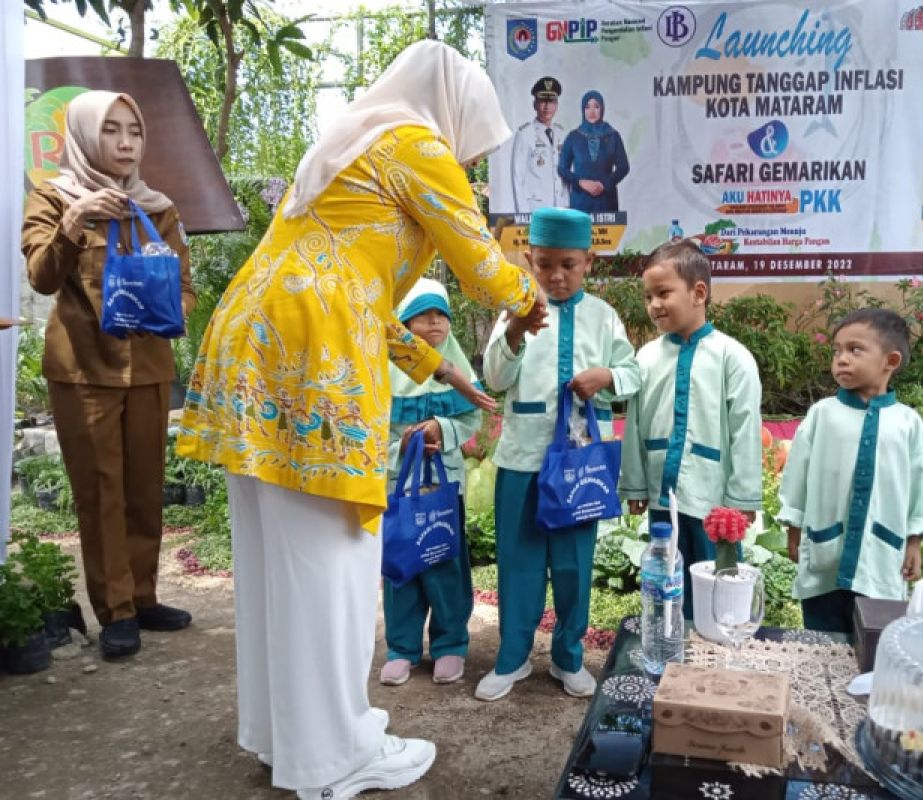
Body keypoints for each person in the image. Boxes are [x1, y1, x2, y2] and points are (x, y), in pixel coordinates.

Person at [175, 41, 547, 799]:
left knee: (276, 553)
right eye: (468, 146)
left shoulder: (344, 151)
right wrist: (527, 299)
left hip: (259, 337)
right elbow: (477, 260)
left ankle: (289, 739)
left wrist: (439, 367)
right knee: (332, 561)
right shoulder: (413, 142)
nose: (465, 163)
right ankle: (334, 755)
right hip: (313, 352)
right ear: (451, 110)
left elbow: (354, 288)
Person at [22, 90, 196, 660]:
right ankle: (115, 610)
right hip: (83, 371)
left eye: (134, 132)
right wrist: (74, 222)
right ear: (85, 137)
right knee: (100, 491)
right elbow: (43, 279)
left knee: (145, 489)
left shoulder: (158, 208)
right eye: (111, 131)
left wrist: (165, 302)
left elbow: (186, 290)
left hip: (147, 368)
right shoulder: (53, 199)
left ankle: (144, 597)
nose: (125, 143)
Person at [475, 207, 640, 702]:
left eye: (568, 264)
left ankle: (569, 657)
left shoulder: (604, 317)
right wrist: (515, 334)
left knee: (573, 565)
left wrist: (606, 377)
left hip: (580, 467)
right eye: (545, 264)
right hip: (522, 461)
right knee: (519, 563)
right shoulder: (515, 310)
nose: (557, 275)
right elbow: (494, 380)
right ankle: (513, 658)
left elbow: (632, 374)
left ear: (589, 261)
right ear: (529, 259)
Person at [618, 240, 763, 620]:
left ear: (699, 293)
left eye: (663, 293)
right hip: (661, 499)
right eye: (648, 296)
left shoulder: (733, 357)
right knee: (666, 583)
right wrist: (634, 485)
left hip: (714, 500)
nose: (653, 305)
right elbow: (633, 425)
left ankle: (718, 653)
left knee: (719, 583)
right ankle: (670, 651)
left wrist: (742, 496)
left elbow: (746, 430)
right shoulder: (646, 358)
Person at [778, 309, 923, 635]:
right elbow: (798, 473)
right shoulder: (823, 414)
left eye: (854, 350)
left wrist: (914, 540)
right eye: (836, 351)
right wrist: (793, 525)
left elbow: (919, 485)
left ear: (889, 361)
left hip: (880, 555)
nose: (841, 359)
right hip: (825, 548)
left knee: (874, 640)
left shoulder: (907, 424)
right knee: (823, 637)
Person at [379, 278, 478, 689]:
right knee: (401, 566)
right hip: (398, 487)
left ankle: (450, 643)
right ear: (403, 324)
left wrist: (443, 428)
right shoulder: (382, 373)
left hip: (443, 486)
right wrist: (399, 446)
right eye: (424, 315)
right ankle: (401, 648)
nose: (436, 323)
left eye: (442, 315)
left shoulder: (459, 368)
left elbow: (474, 419)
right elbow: (368, 428)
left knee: (445, 562)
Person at [558, 90, 629, 213]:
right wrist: (580, 182)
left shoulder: (613, 136)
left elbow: (623, 167)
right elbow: (562, 169)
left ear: (602, 109)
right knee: (581, 232)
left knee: (607, 232)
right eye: (587, 107)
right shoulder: (573, 137)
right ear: (583, 110)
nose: (591, 111)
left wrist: (604, 184)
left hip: (606, 202)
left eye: (596, 107)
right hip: (580, 202)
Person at [510, 76, 569, 213]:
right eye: (543, 101)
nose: (547, 106)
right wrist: (523, 214)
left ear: (557, 105)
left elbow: (566, 175)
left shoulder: (562, 134)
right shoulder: (525, 134)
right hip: (535, 209)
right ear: (535, 104)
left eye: (552, 101)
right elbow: (517, 177)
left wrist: (567, 203)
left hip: (560, 207)